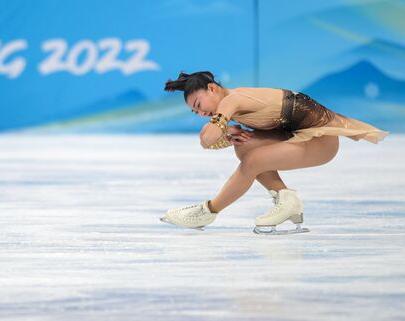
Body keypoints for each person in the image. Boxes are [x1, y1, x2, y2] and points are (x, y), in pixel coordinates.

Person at [160, 71, 389, 234]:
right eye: (195, 112)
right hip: (299, 136)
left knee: (253, 160)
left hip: (322, 142)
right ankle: (286, 199)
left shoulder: (233, 100)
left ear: (211, 88)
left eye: (199, 105)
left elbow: (206, 139)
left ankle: (209, 210)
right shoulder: (232, 104)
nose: (201, 113)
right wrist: (229, 132)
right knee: (246, 146)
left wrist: (222, 128)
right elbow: (209, 139)